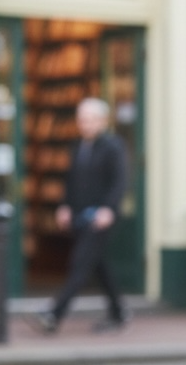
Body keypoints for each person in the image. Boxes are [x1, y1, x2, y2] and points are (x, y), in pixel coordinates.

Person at [34, 97, 130, 334]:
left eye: (89, 119)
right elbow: (72, 180)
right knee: (98, 265)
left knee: (80, 263)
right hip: (80, 216)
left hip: (101, 218)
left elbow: (120, 182)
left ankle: (54, 314)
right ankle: (119, 312)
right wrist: (65, 206)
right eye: (81, 119)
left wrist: (108, 209)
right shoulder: (78, 146)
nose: (84, 124)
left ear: (103, 121)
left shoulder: (113, 146)